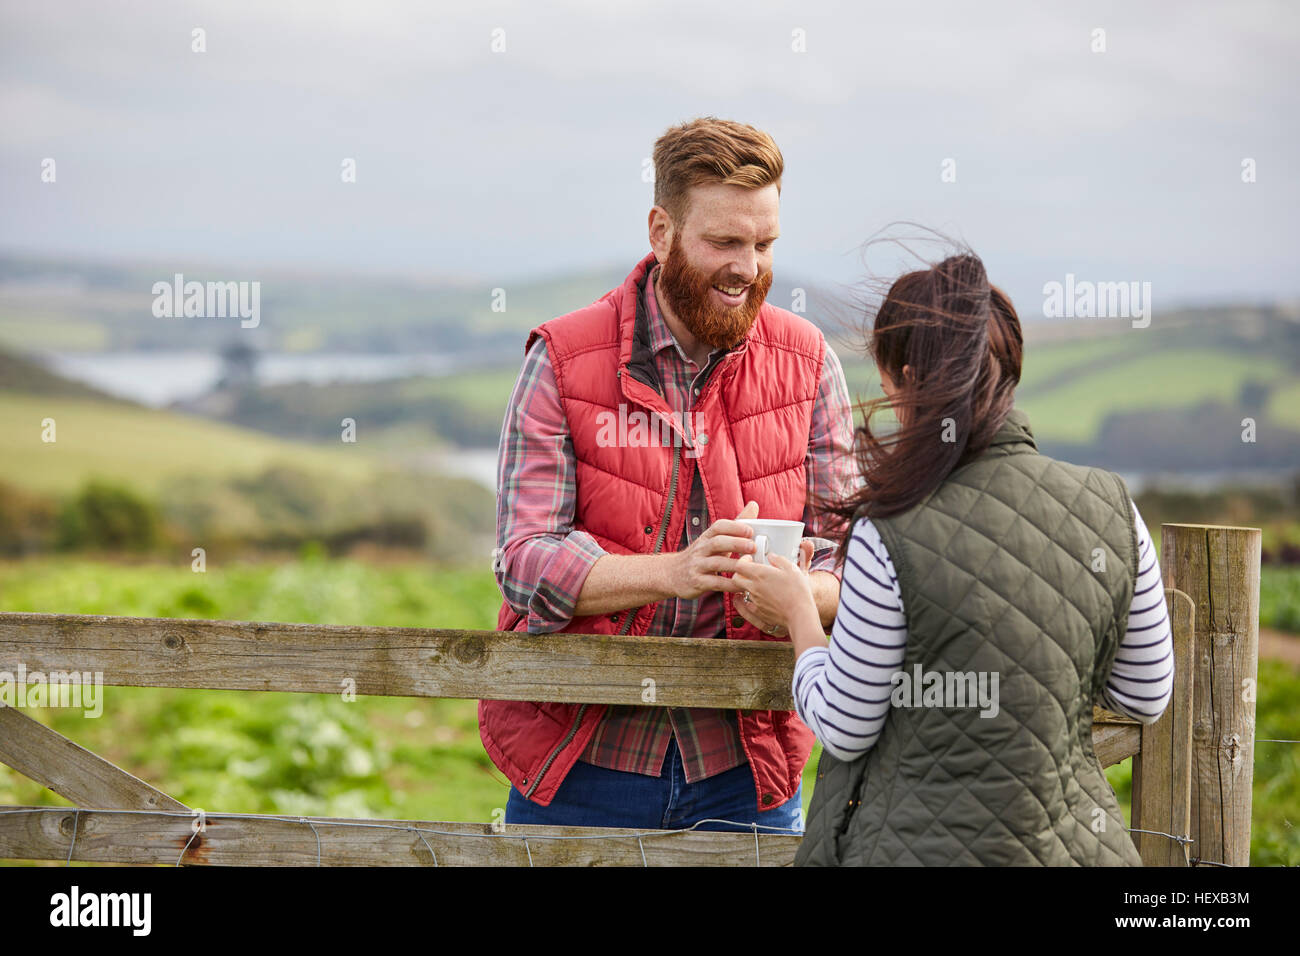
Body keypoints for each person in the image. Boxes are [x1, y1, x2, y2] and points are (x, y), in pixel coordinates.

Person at [732, 251, 1175, 864]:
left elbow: (844, 721)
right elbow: (1146, 694)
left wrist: (798, 616)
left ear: (910, 378)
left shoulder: (890, 527)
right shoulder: (1113, 507)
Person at [485, 117, 856, 833]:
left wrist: (796, 596)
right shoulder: (562, 358)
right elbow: (524, 560)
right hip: (580, 761)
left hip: (749, 770)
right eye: (724, 242)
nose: (748, 267)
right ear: (661, 232)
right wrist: (675, 571)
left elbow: (858, 566)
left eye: (764, 243)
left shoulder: (809, 362)